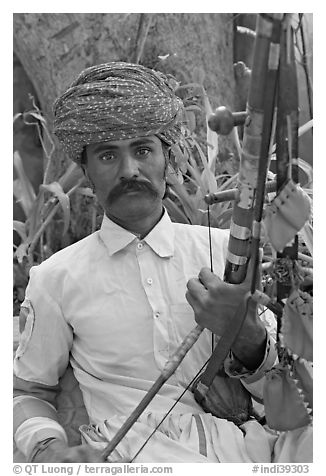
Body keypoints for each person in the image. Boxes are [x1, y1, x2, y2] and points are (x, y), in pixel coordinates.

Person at [13, 62, 312, 463]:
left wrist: (243, 332)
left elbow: (278, 387)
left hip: (249, 448)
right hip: (134, 454)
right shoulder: (55, 278)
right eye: (107, 155)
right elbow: (30, 390)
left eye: (142, 150)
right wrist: (48, 451)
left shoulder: (230, 251)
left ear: (167, 160)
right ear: (86, 170)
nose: (129, 170)